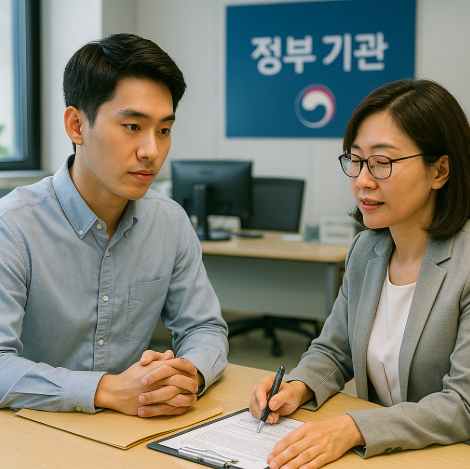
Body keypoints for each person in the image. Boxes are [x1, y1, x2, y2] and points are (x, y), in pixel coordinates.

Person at [0, 33, 228, 417]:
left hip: (131, 427)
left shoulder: (170, 222)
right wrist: (105, 390)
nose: (151, 151)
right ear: (76, 125)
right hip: (34, 430)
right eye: (133, 126)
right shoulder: (12, 227)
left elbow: (204, 328)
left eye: (164, 130)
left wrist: (188, 374)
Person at [250, 78, 470, 468]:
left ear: (439, 171)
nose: (363, 180)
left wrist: (354, 428)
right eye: (356, 160)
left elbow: (462, 405)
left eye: (383, 162)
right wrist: (297, 387)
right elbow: (334, 351)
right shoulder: (366, 249)